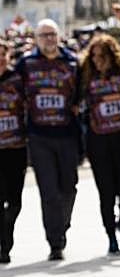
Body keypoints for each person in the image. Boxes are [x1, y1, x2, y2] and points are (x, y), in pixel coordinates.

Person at [78, 8, 120, 254]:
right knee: (106, 191)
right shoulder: (85, 77)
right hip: (98, 140)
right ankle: (111, 237)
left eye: (101, 54)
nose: (97, 59)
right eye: (93, 55)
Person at [17, 18, 79, 260]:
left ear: (59, 36)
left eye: (52, 34)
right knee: (49, 191)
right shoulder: (26, 64)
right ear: (36, 39)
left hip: (67, 134)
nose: (49, 39)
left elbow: (82, 91)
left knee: (70, 187)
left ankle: (62, 224)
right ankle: (56, 242)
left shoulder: (72, 62)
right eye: (44, 35)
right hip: (39, 134)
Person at [0, 40, 26, 263]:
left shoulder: (17, 79)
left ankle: (7, 227)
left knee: (15, 201)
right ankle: (4, 246)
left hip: (16, 148)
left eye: (2, 54)